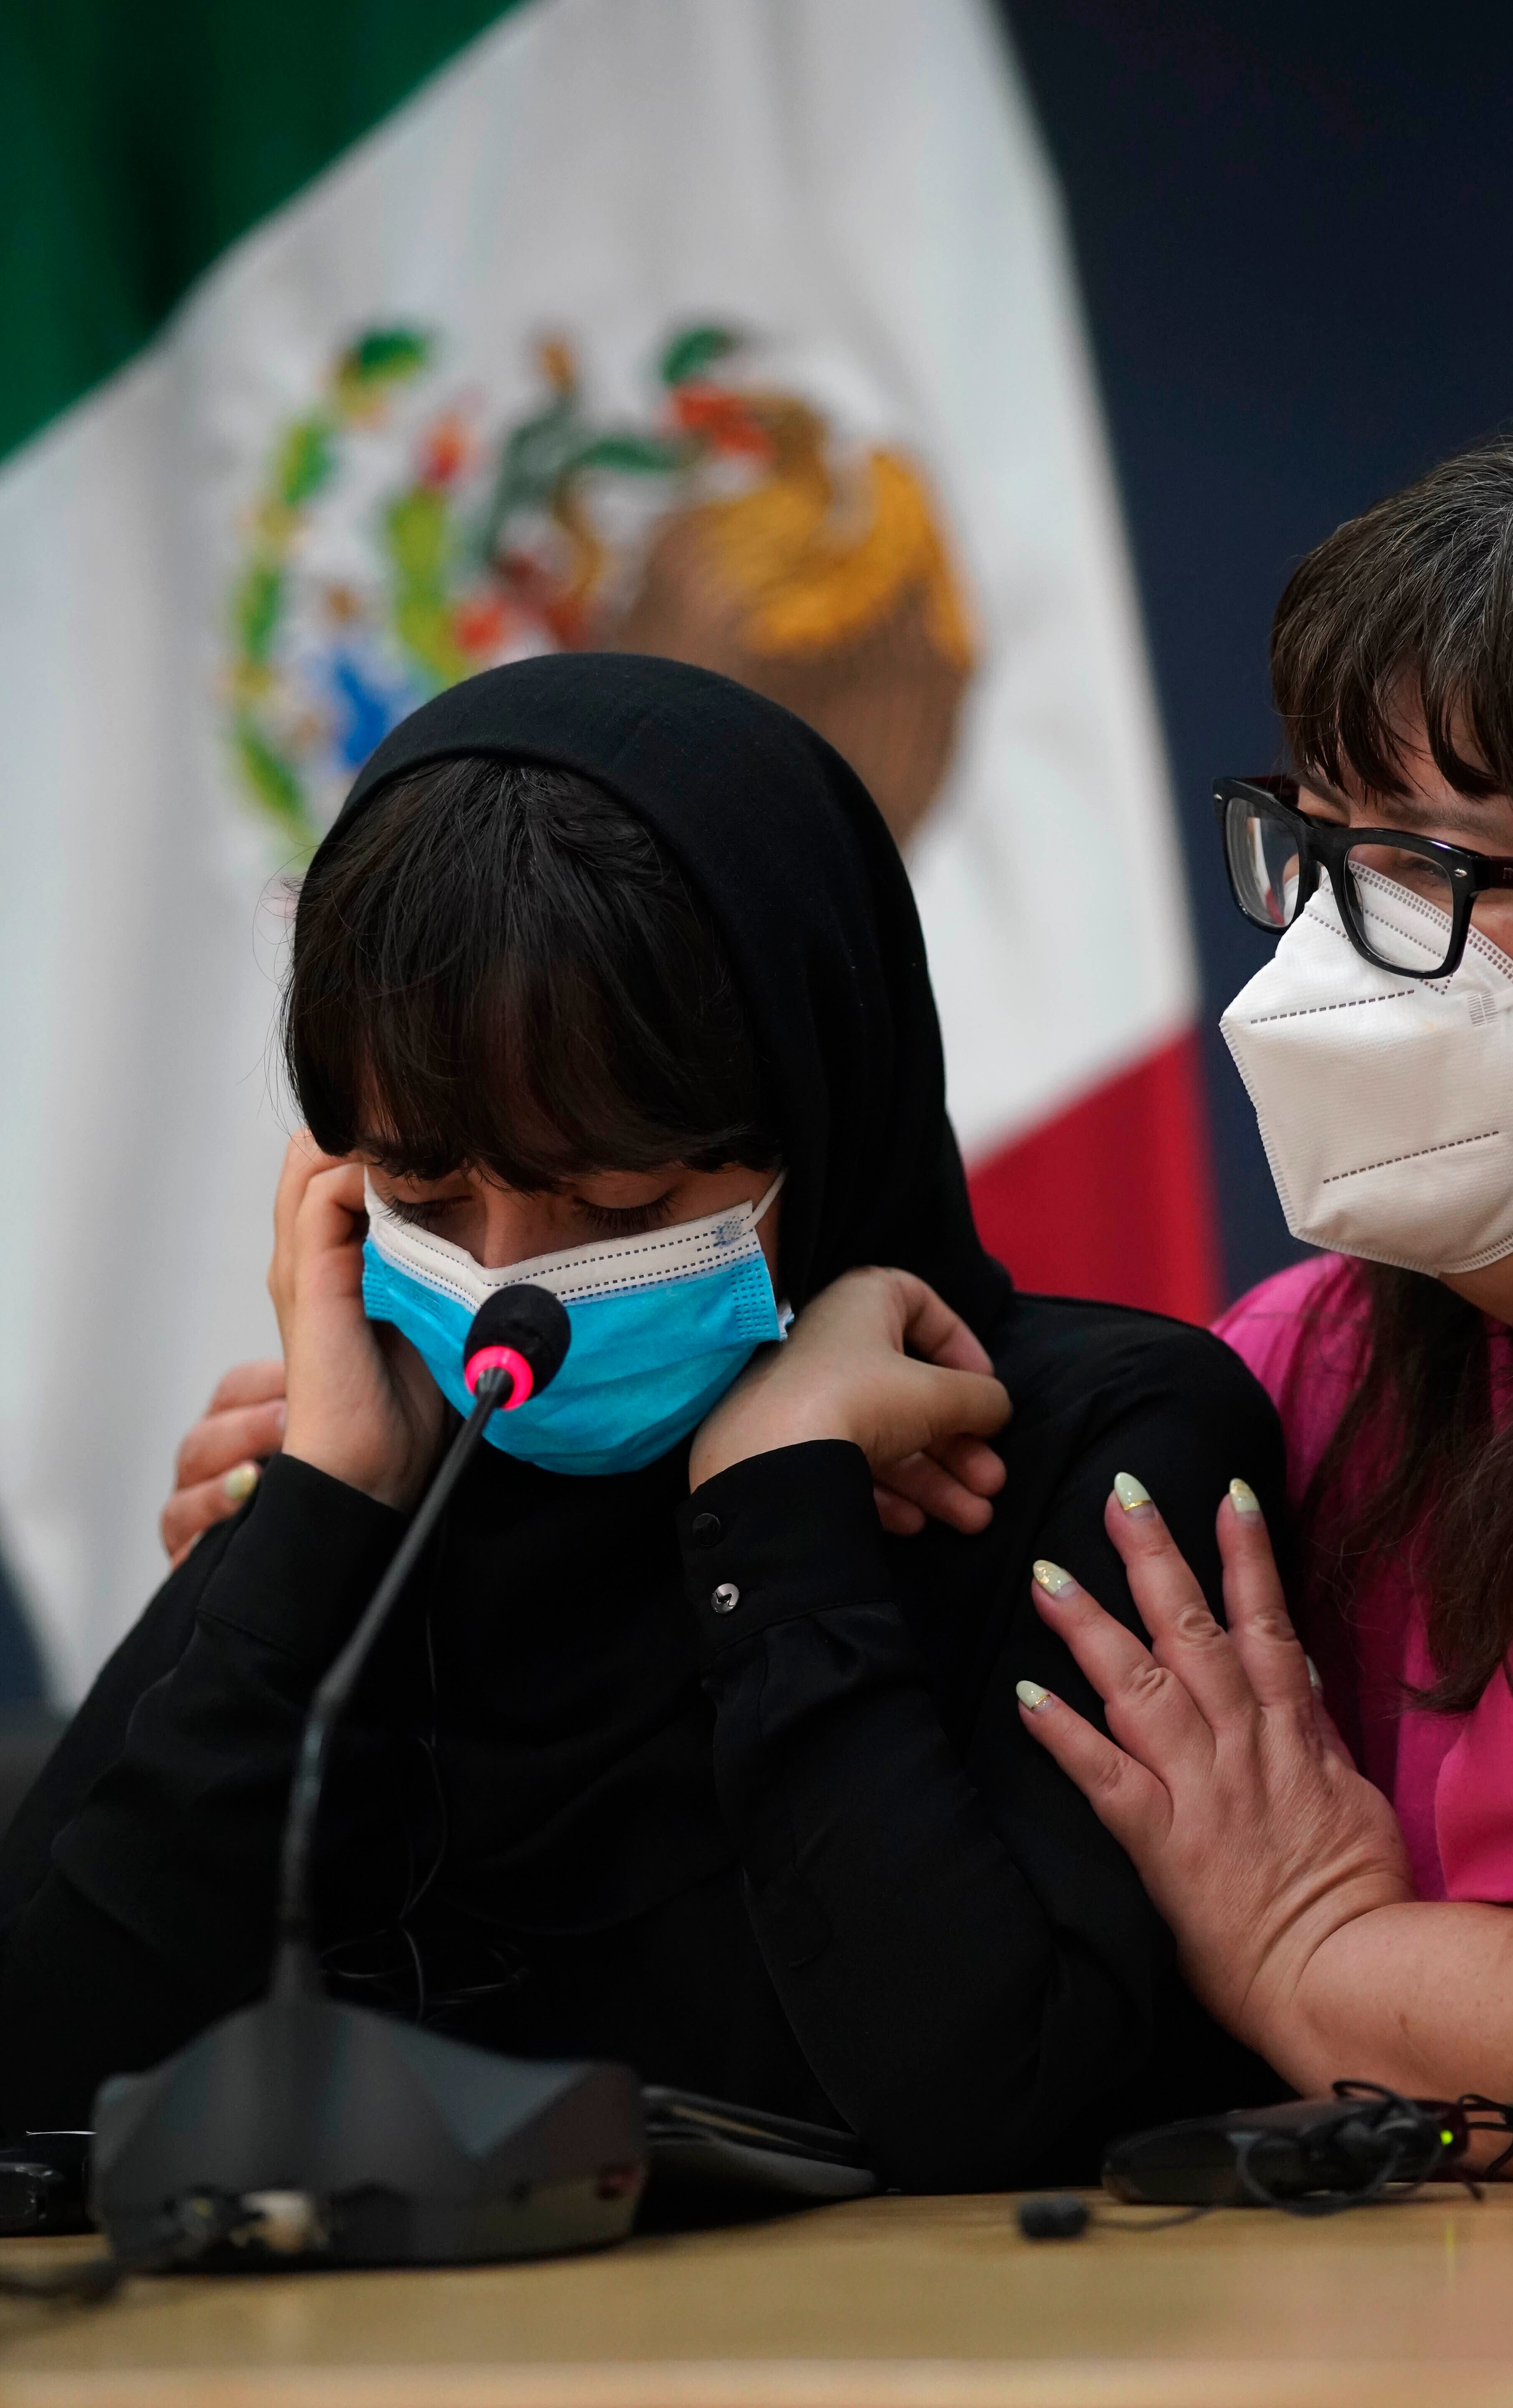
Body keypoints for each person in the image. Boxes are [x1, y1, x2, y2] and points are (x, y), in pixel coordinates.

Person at [0, 652, 1287, 2186]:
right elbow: (28, 2090)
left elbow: (986, 2110)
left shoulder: (1096, 1444)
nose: (505, 1290)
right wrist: (322, 1523)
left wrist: (774, 1518)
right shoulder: (383, 1467)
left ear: (823, 1104)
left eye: (614, 1203)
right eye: (424, 1196)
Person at [1012, 416, 1513, 2172]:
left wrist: (1328, 1962)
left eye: (1430, 869)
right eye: (1316, 849)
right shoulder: (1302, 1365)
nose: (1319, 956)